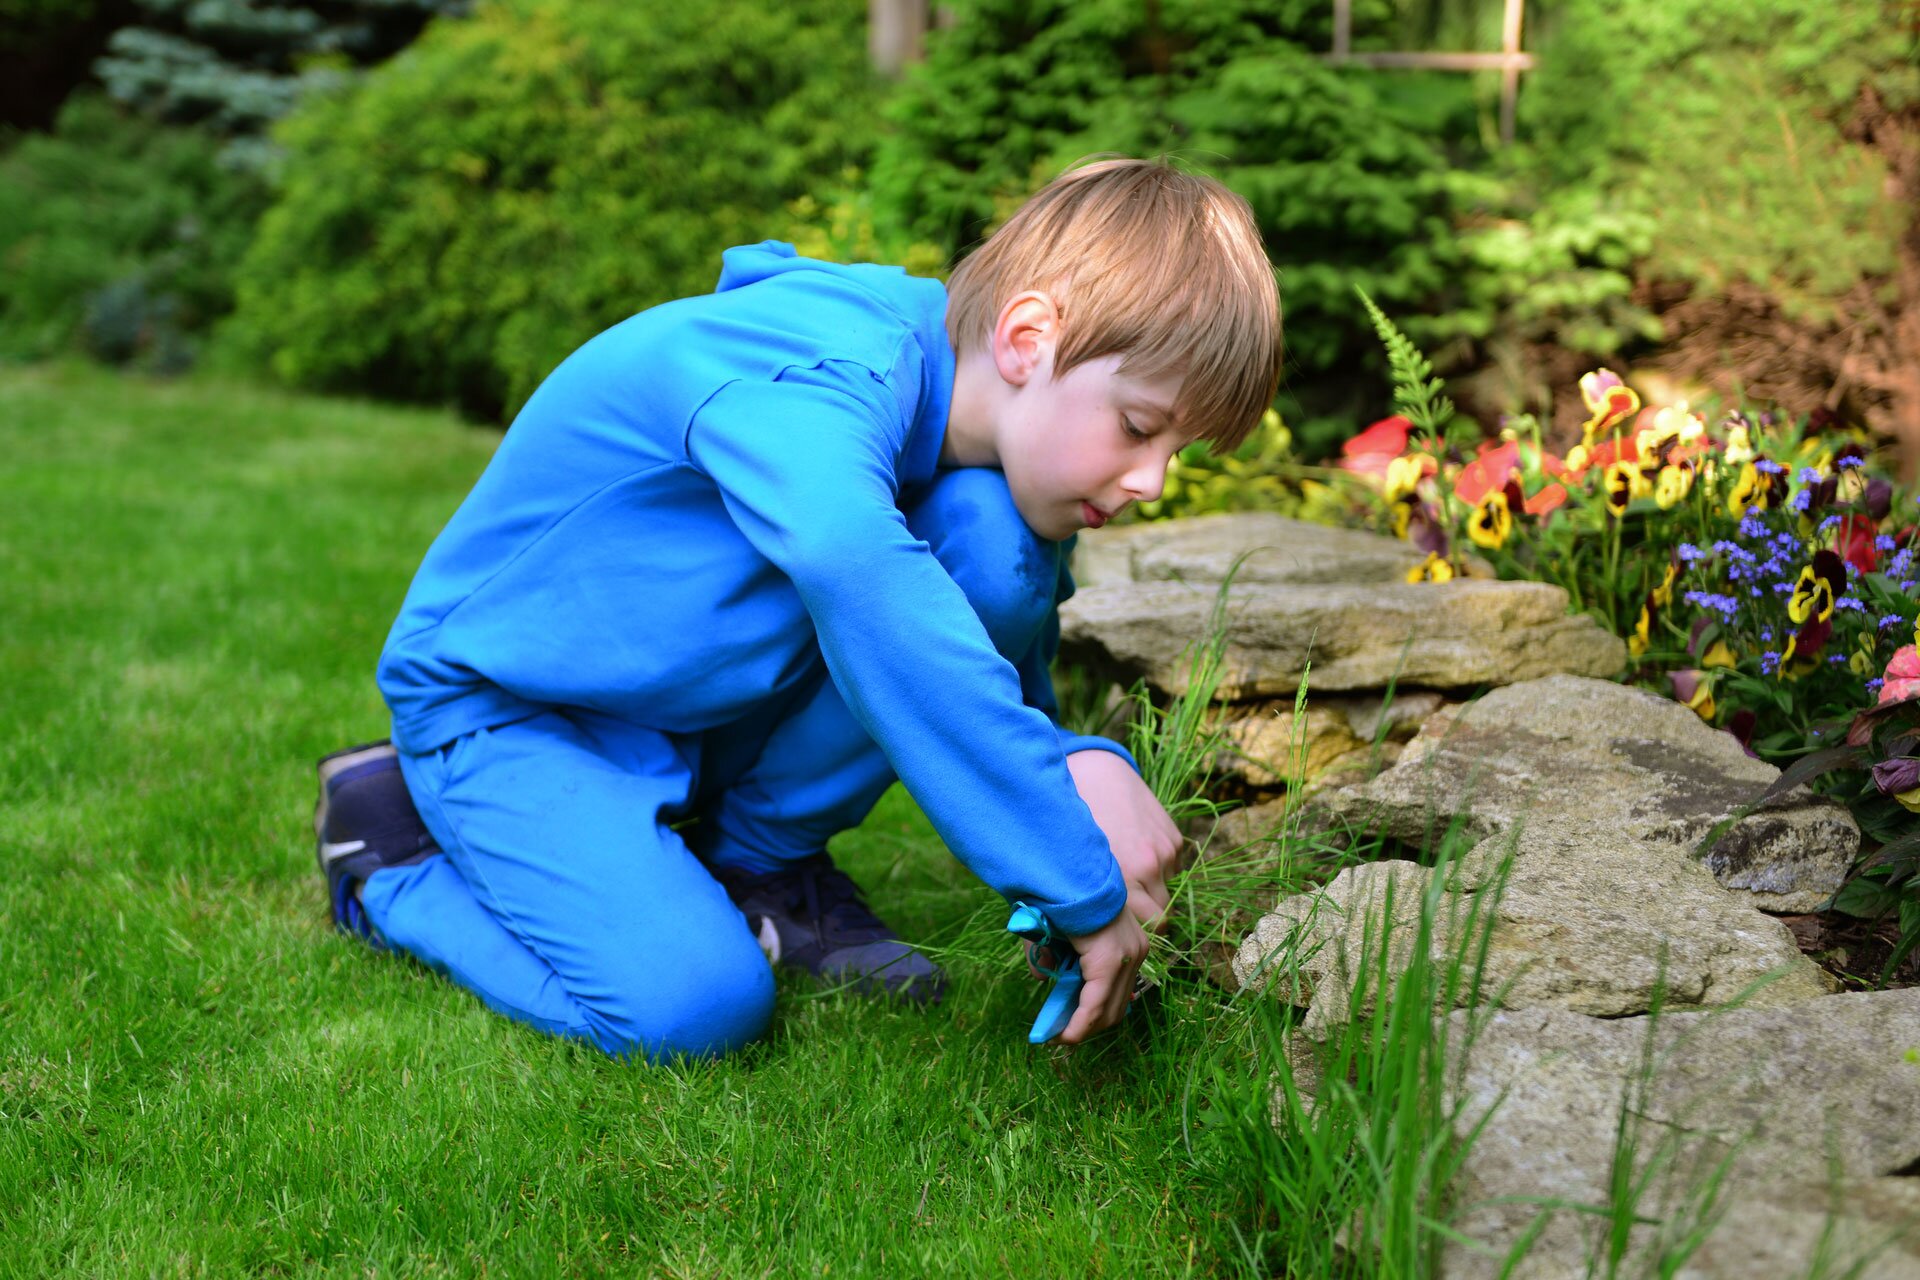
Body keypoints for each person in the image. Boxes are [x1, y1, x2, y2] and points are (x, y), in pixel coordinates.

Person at [312, 157, 1282, 1061]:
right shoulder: (828, 365)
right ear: (1028, 340)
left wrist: (1071, 764)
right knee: (697, 1006)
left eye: (1176, 450)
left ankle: (756, 864)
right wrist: (1073, 865)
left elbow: (985, 642)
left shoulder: (987, 452)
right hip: (515, 709)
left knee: (992, 541)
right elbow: (860, 575)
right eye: (1139, 426)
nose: (1152, 480)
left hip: (687, 704)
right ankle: (389, 848)